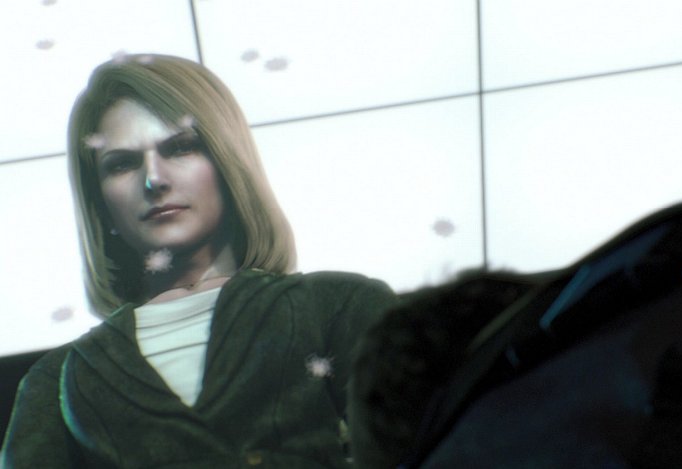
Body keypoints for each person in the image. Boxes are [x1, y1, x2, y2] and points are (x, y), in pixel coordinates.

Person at [1, 54, 397, 468]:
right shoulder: (57, 380)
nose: (154, 179)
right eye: (122, 164)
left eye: (180, 147)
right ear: (99, 202)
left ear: (227, 162)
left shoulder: (339, 307)